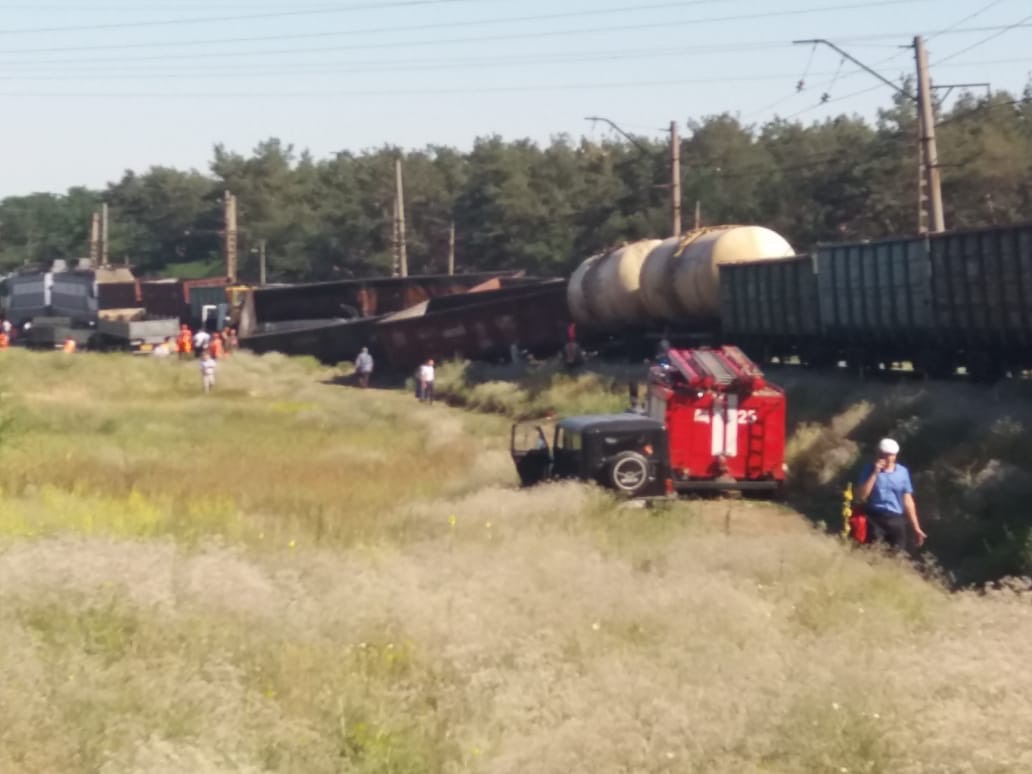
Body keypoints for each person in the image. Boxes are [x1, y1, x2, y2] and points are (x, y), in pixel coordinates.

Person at [856, 438, 927, 550]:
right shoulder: (869, 469)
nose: (886, 458)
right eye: (883, 454)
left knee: (897, 552)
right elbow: (861, 496)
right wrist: (875, 473)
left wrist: (916, 527)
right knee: (873, 548)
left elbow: (908, 501)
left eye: (889, 455)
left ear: (895, 456)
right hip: (874, 516)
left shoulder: (902, 473)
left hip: (895, 518)